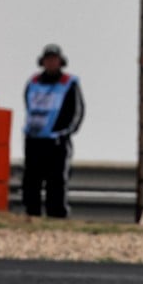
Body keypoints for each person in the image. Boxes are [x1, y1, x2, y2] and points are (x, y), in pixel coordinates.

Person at [20, 44, 85, 218]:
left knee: (56, 181)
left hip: (57, 141)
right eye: (48, 59)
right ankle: (31, 214)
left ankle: (56, 216)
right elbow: (27, 104)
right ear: (42, 62)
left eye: (54, 59)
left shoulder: (69, 83)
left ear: (61, 62)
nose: (51, 63)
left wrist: (66, 132)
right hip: (34, 139)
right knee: (31, 180)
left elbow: (78, 111)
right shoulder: (32, 82)